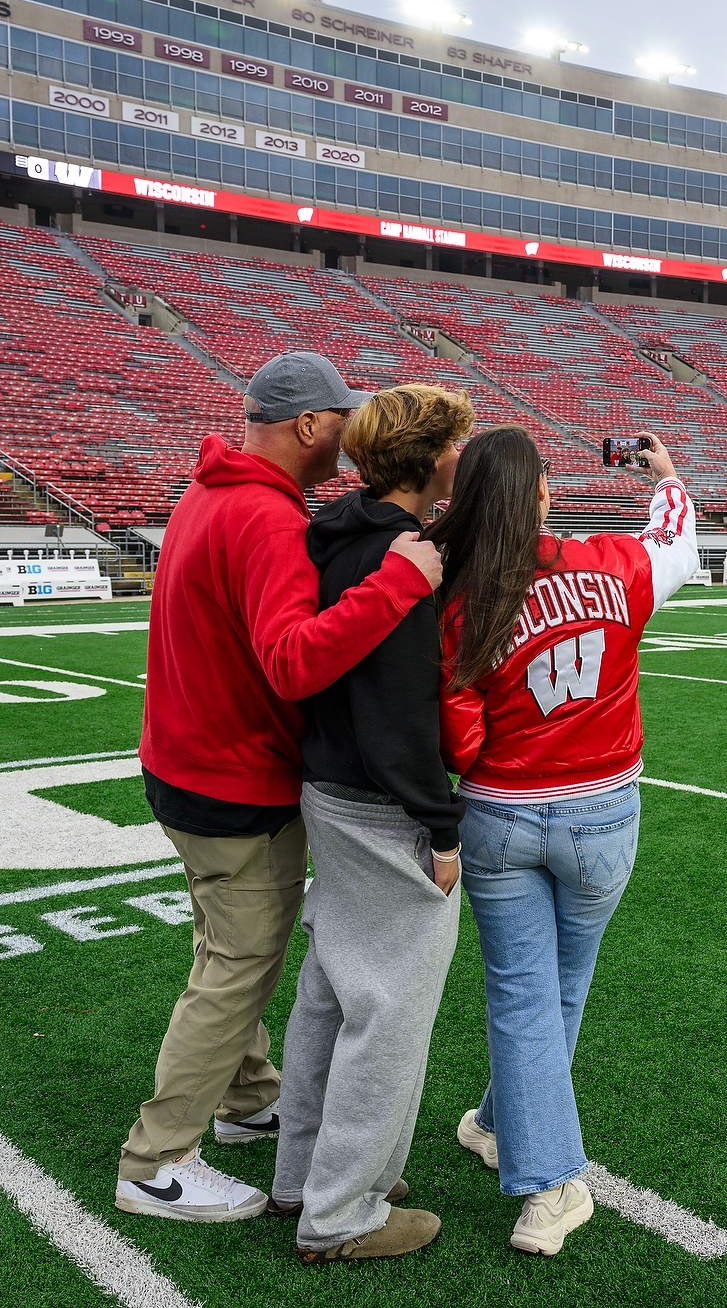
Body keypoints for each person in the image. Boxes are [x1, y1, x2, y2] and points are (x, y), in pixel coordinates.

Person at [118, 352, 443, 1224]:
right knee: (237, 969)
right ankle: (154, 1163)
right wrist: (398, 583)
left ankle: (247, 1096)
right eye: (343, 418)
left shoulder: (215, 490)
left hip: (185, 761)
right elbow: (295, 662)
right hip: (231, 776)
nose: (355, 434)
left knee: (224, 947)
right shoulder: (262, 515)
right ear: (308, 426)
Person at [433, 425, 698, 1257]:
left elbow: (460, 744)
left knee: (524, 993)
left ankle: (498, 1124)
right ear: (543, 494)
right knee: (562, 986)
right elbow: (677, 539)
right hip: (602, 811)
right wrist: (666, 473)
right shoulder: (615, 562)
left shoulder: (460, 597)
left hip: (502, 813)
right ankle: (551, 1180)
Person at [275, 385, 473, 1264]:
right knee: (386, 1012)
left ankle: (305, 1175)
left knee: (329, 991)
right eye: (457, 446)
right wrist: (442, 824)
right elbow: (399, 720)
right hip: (381, 806)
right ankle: (342, 1212)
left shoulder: (340, 530)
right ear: (433, 459)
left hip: (328, 789)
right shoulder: (401, 557)